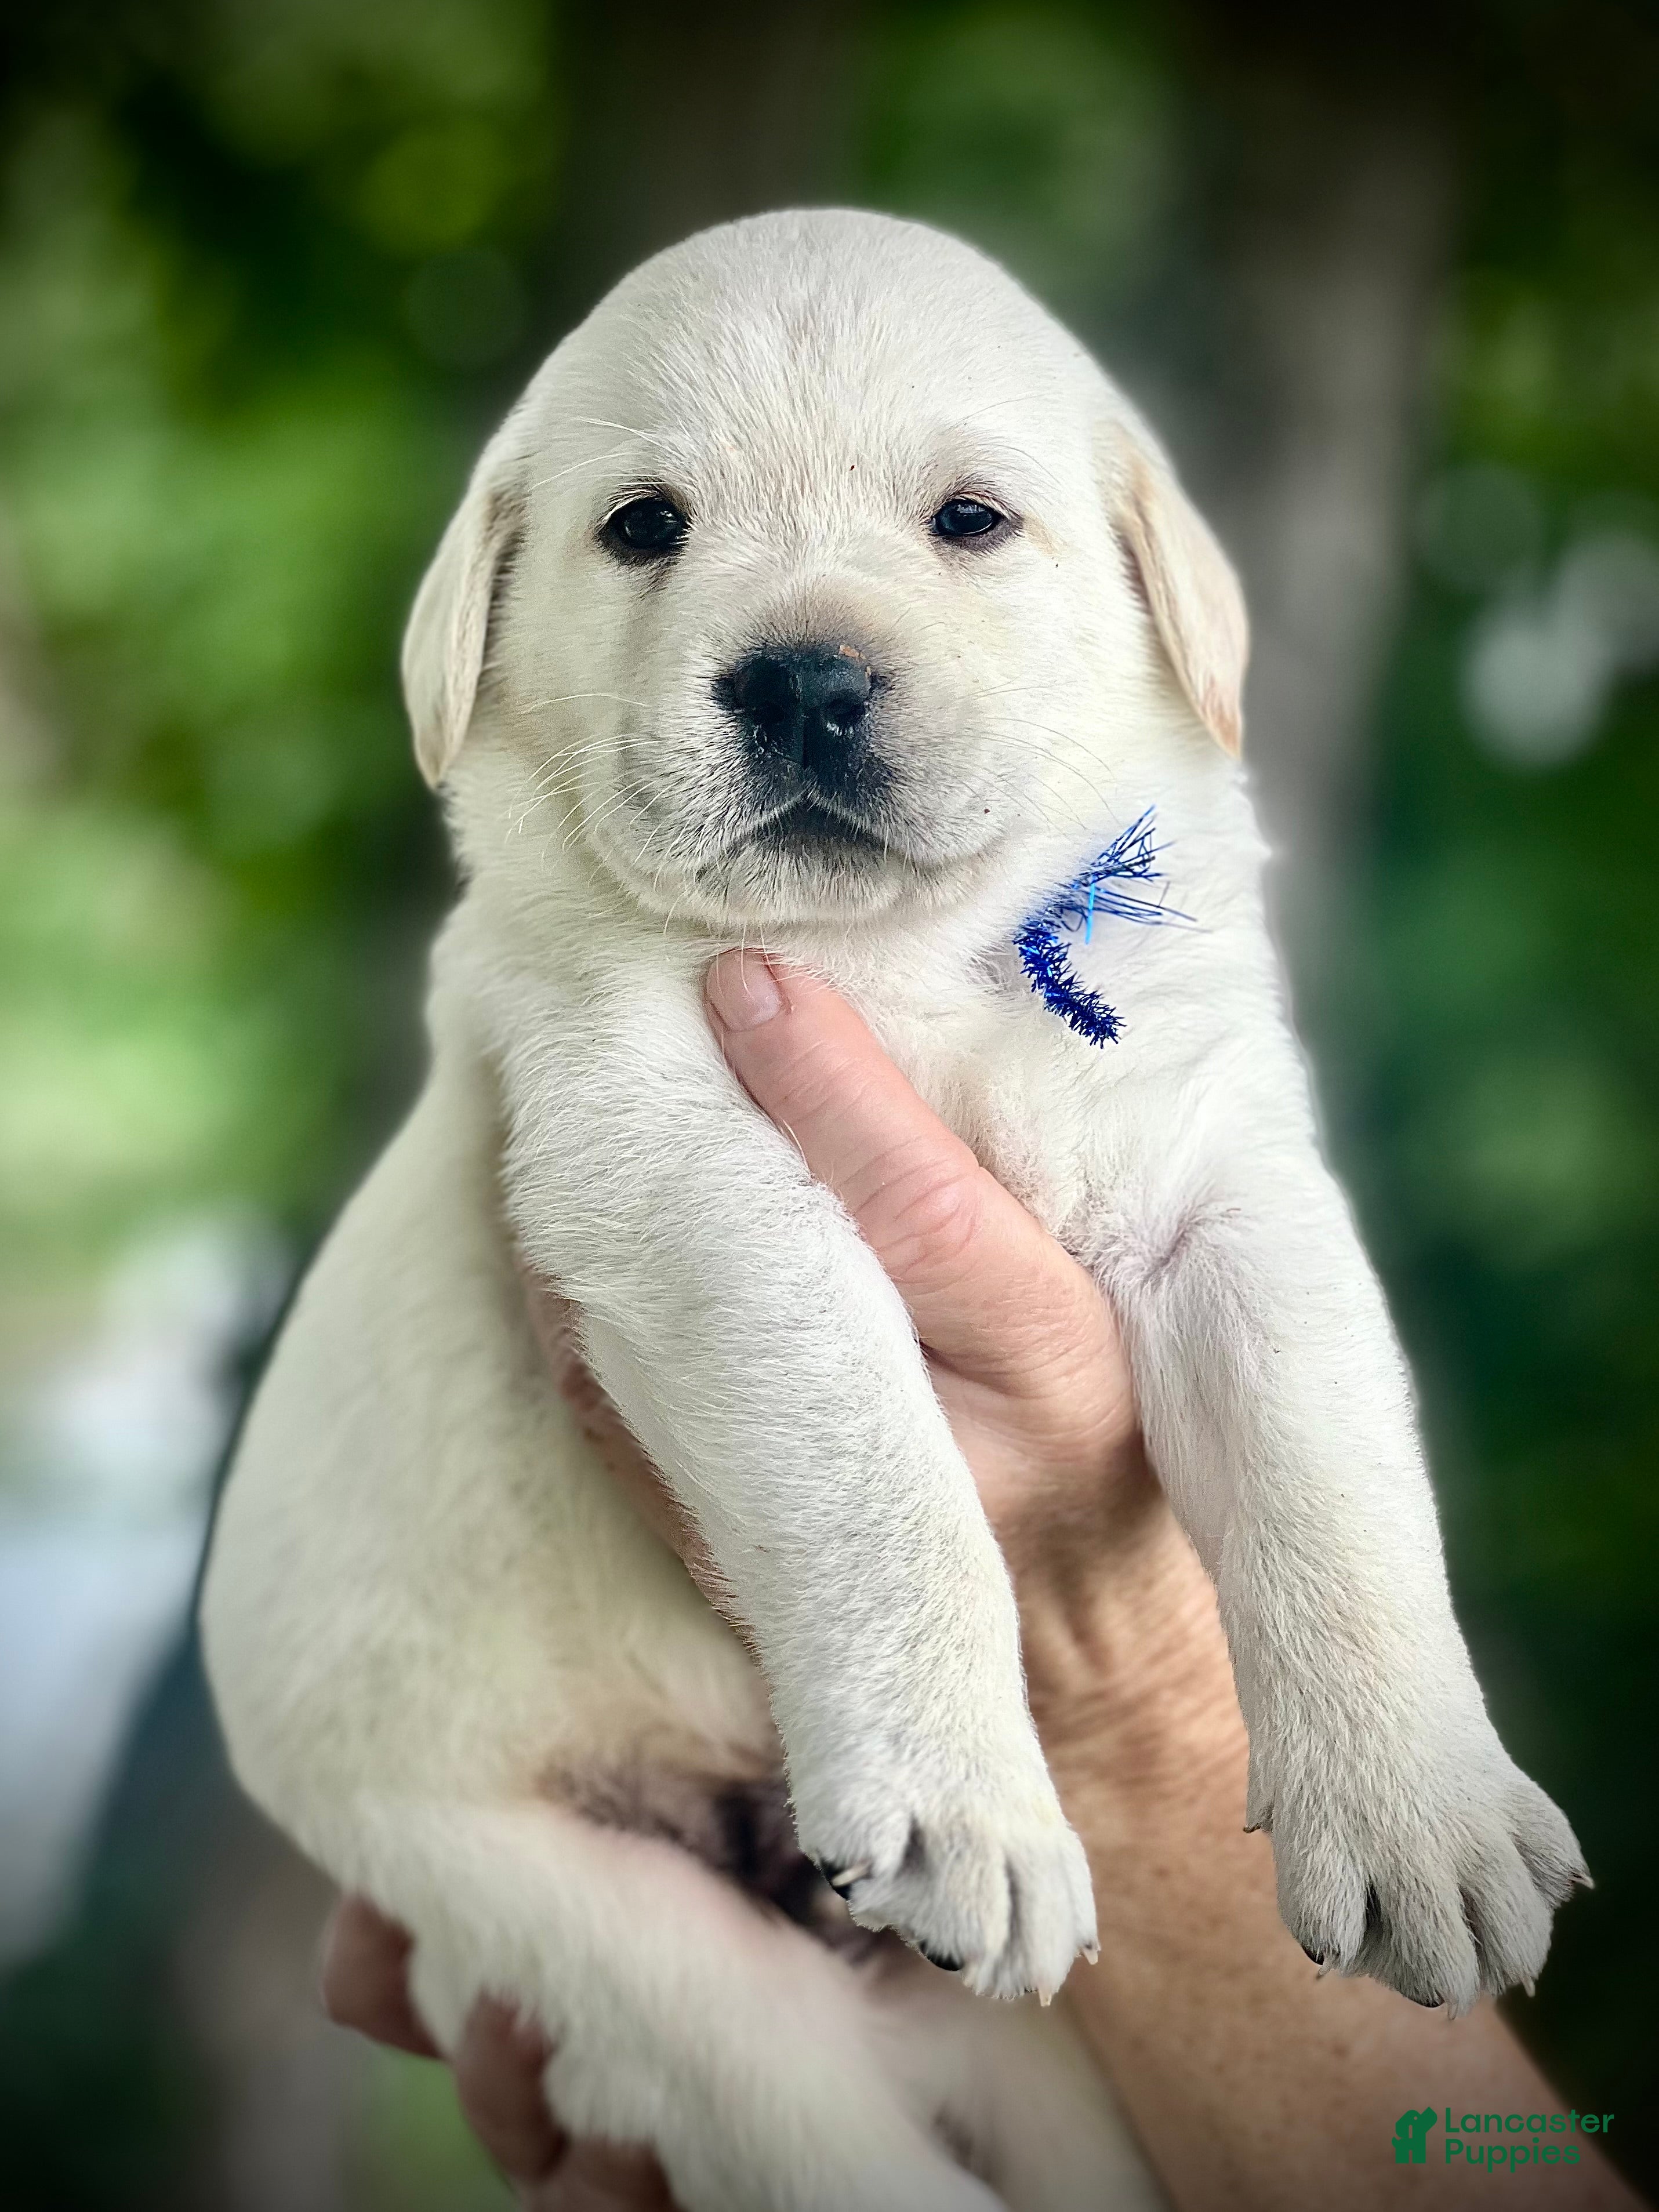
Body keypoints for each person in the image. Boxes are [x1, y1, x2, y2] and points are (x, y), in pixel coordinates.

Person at [321, 951, 1638, 2211]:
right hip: (575, 1777)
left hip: (952, 1905)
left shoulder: (1146, 883)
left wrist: (1366, 1700)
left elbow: (1232, 1239)